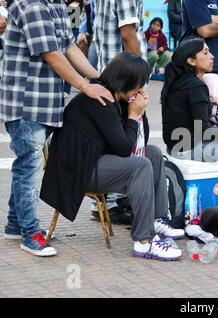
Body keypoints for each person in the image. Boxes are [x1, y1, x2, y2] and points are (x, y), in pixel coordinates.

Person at [40, 52, 185, 261]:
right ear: (125, 81)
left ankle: (156, 219)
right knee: (141, 165)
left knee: (152, 153)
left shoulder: (115, 97)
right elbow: (125, 149)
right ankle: (144, 242)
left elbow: (135, 141)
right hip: (76, 171)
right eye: (138, 84)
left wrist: (138, 112)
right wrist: (133, 115)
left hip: (92, 159)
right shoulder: (102, 100)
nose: (140, 89)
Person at [0, 0, 114, 256]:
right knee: (29, 167)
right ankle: (30, 234)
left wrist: (99, 79)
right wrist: (86, 86)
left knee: (25, 166)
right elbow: (51, 54)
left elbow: (69, 47)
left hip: (44, 103)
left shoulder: (58, 5)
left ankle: (15, 224)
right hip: (25, 101)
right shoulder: (31, 4)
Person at [92, 0, 148, 224]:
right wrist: (139, 79)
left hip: (115, 76)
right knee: (129, 140)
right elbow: (128, 34)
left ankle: (109, 203)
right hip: (124, 80)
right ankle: (117, 203)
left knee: (117, 139)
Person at [161, 38, 218, 162]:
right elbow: (203, 132)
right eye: (206, 52)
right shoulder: (196, 86)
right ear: (191, 61)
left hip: (174, 148)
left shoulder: (177, 82)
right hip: (189, 151)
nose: (212, 56)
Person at [77, 0, 97, 70]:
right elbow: (89, 11)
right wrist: (82, 31)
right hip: (96, 36)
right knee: (91, 67)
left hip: (117, 39)